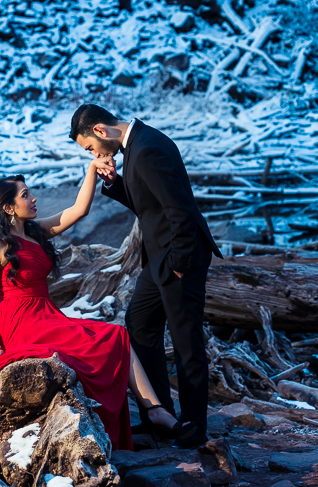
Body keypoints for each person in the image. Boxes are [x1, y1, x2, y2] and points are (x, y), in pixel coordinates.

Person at [0, 171, 196, 453]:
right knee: (100, 342)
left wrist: (91, 170)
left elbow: (79, 210)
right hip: (21, 321)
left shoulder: (34, 231)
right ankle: (149, 411)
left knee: (115, 335)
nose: (34, 197)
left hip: (47, 314)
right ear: (8, 207)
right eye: (25, 194)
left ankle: (154, 409)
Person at [69, 104, 222, 448]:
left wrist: (179, 263)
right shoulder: (138, 144)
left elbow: (179, 208)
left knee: (186, 344)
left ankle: (194, 429)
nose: (94, 154)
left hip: (179, 258)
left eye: (90, 148)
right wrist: (116, 183)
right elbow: (149, 204)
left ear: (100, 130)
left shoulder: (148, 147)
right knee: (138, 325)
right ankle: (161, 416)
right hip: (159, 260)